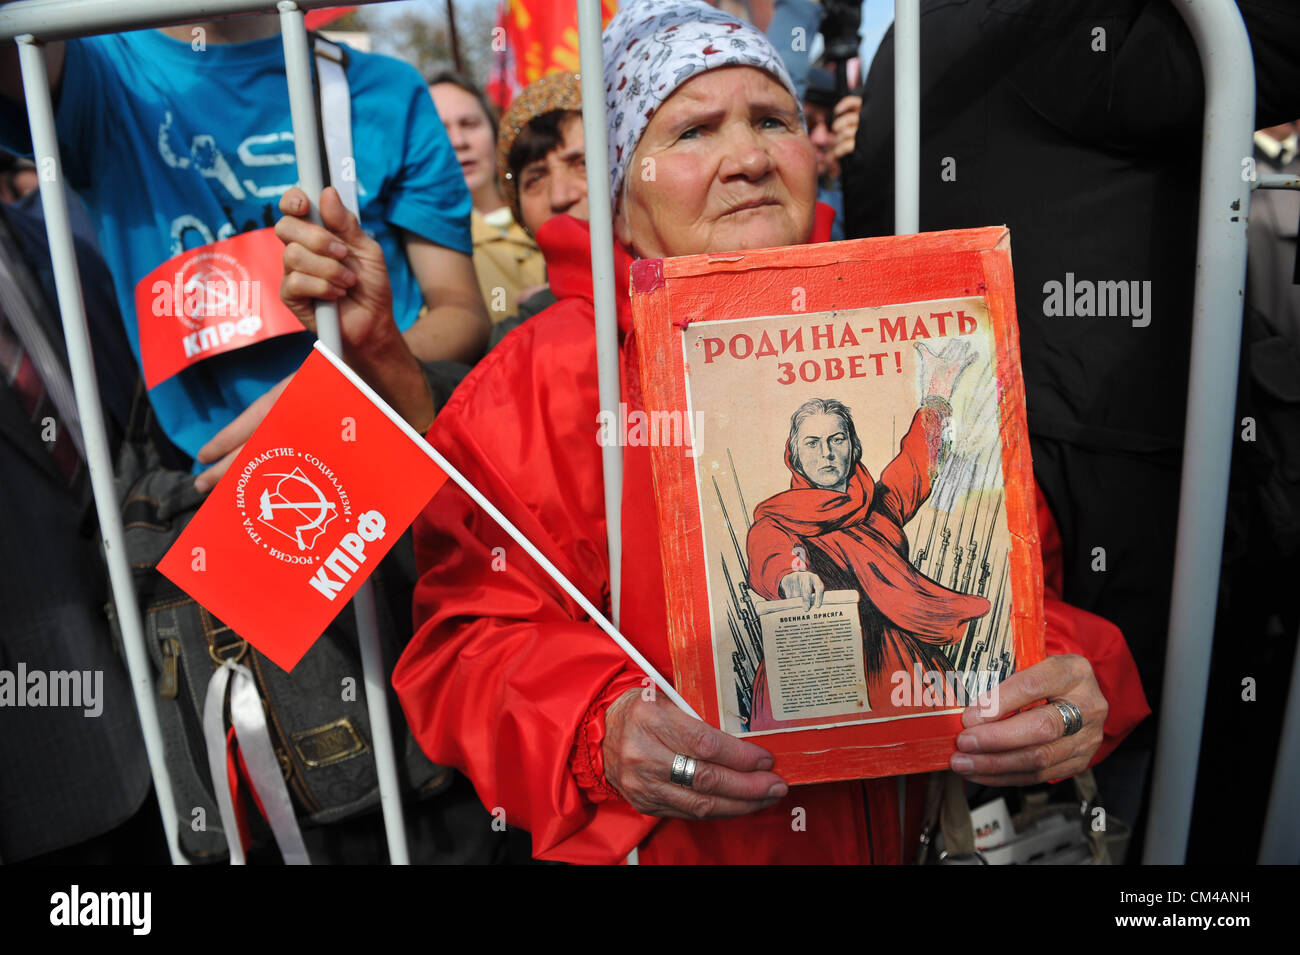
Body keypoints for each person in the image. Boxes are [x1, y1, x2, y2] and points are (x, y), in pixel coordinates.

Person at [279, 0, 1148, 864]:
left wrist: (1070, 688)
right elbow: (467, 643)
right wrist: (597, 726)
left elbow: (1014, 589)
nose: (747, 159)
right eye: (693, 131)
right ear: (622, 191)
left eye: (772, 118)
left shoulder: (916, 329)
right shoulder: (540, 378)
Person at [0, 15, 488, 480]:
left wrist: (330, 393)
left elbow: (462, 312)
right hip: (214, 494)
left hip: (391, 453)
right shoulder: (103, 69)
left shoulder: (386, 90)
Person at [745, 361, 993, 729]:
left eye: (837, 439)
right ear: (794, 455)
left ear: (853, 446)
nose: (826, 453)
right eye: (812, 443)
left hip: (900, 662)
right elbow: (773, 552)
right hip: (822, 667)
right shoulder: (779, 519)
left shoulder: (879, 507)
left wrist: (936, 397)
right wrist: (791, 577)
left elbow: (916, 464)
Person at [430, 71, 546, 326]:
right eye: (439, 130)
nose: (458, 141)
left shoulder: (555, 205)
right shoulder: (427, 248)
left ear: (495, 132)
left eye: (469, 124)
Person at [487, 71, 588, 346]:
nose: (559, 196)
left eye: (582, 164)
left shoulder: (677, 293)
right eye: (536, 178)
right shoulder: (515, 339)